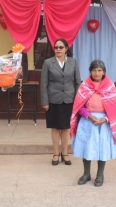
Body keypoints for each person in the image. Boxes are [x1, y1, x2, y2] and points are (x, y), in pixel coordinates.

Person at [70, 60, 116, 187]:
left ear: (104, 72)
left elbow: (114, 107)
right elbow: (79, 106)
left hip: (103, 123)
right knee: (87, 148)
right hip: (88, 121)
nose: (96, 73)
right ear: (90, 72)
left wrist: (106, 119)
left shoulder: (110, 86)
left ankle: (100, 175)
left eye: (99, 70)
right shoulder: (85, 86)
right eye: (94, 70)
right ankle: (86, 174)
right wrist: (89, 116)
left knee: (102, 149)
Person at [41, 38, 81, 166]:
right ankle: (55, 154)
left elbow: (77, 82)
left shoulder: (73, 62)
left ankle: (65, 153)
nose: (58, 49)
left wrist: (77, 101)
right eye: (56, 47)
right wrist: (45, 101)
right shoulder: (48, 63)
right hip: (53, 100)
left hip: (69, 99)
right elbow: (43, 84)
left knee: (65, 128)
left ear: (66, 48)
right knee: (55, 127)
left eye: (60, 47)